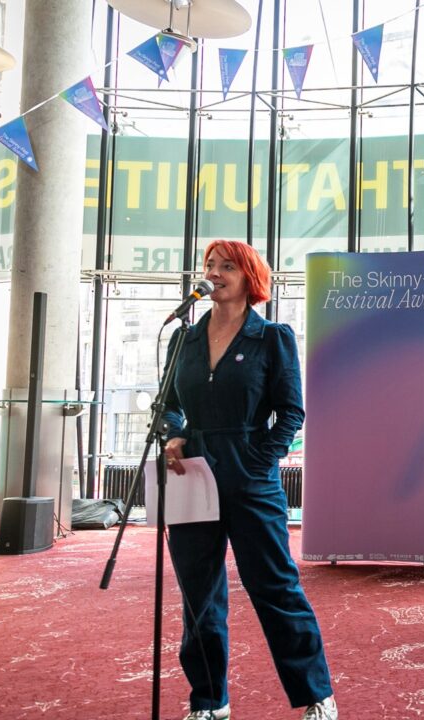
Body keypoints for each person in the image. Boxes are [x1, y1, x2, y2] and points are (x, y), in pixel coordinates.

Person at [162, 240, 336, 720]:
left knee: (275, 586)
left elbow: (291, 412)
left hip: (250, 474)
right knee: (198, 594)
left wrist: (259, 460)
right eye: (209, 265)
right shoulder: (183, 339)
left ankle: (317, 695)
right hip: (193, 473)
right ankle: (209, 701)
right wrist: (174, 435)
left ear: (249, 278)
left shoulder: (273, 337)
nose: (214, 273)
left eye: (226, 267)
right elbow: (169, 407)